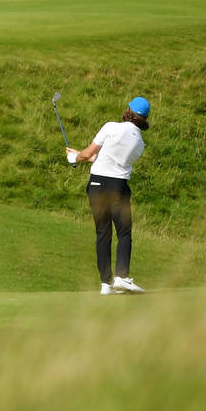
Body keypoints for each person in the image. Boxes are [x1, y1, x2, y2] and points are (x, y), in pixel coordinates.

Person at [68, 96, 151, 295]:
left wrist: (74, 157)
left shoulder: (111, 127)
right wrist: (81, 155)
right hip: (117, 187)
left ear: (128, 111)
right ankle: (122, 278)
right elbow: (112, 162)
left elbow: (90, 156)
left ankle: (106, 284)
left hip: (96, 184)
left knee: (103, 233)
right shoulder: (139, 143)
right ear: (144, 119)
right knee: (123, 232)